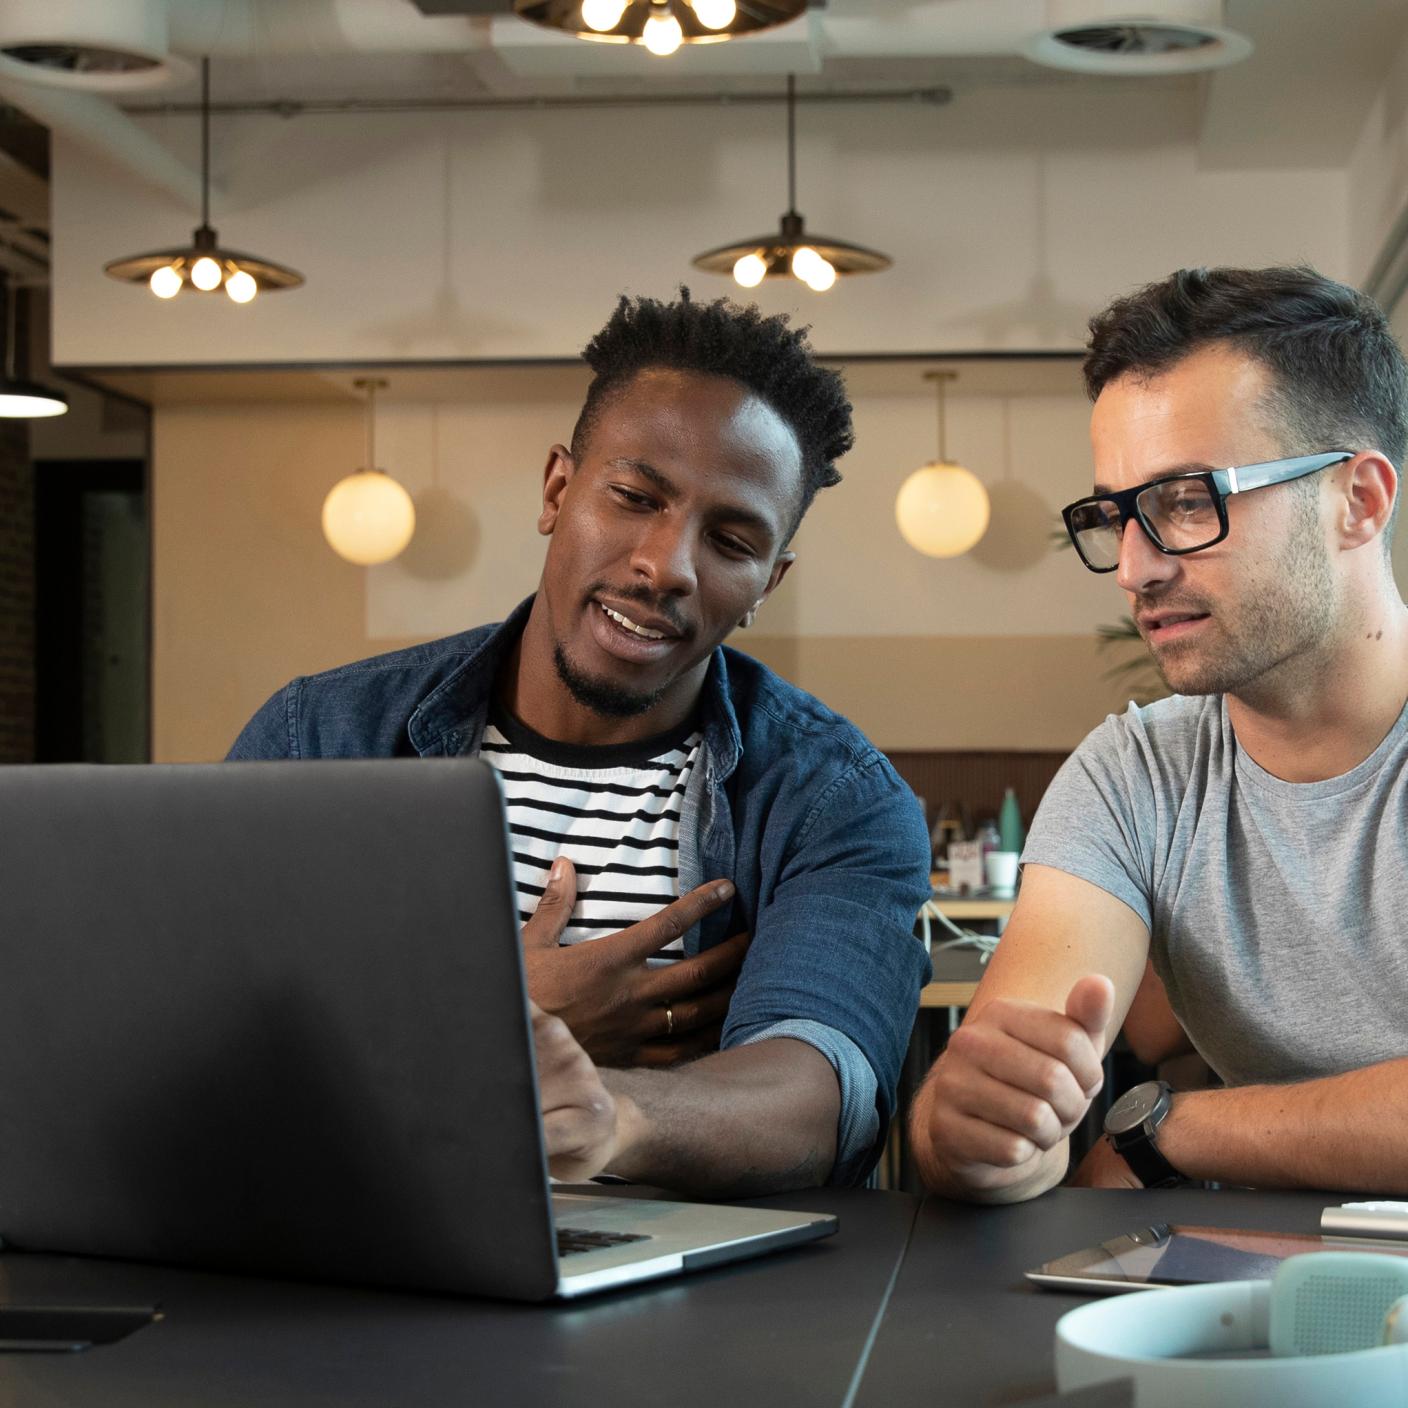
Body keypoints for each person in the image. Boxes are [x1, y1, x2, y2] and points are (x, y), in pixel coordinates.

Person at [230, 291, 932, 1195]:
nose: (665, 566)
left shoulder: (835, 798)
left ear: (768, 582)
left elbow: (819, 1094)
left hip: (688, 1271)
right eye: (635, 498)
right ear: (558, 491)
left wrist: (610, 1117)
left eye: (730, 541)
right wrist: (491, 1016)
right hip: (357, 1234)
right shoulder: (319, 737)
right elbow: (213, 1029)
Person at [910, 265, 1408, 1201]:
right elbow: (1002, 1115)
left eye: (1185, 502)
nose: (1133, 570)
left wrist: (1173, 1131)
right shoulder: (1135, 774)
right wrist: (977, 1133)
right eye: (1115, 515)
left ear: (1359, 501)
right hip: (1254, 1276)